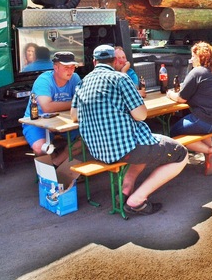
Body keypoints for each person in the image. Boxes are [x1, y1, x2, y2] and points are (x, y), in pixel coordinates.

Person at [71, 44, 188, 216]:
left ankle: (126, 189)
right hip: (125, 149)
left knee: (143, 148)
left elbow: (74, 116)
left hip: (98, 152)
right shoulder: (120, 79)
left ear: (94, 62)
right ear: (114, 61)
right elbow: (140, 115)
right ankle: (137, 201)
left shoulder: (82, 83)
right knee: (181, 154)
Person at [166, 41, 212, 175]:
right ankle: (210, 154)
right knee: (200, 125)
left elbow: (181, 98)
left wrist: (170, 93)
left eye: (193, 56)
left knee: (174, 133)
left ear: (200, 57)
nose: (191, 59)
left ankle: (209, 151)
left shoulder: (197, 72)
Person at [23, 51, 81, 166]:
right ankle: (56, 172)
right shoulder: (44, 80)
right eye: (66, 67)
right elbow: (47, 107)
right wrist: (74, 103)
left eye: (72, 67)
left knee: (88, 139)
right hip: (37, 122)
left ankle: (57, 163)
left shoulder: (75, 78)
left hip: (65, 122)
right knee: (40, 149)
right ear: (56, 67)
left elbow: (82, 101)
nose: (70, 70)